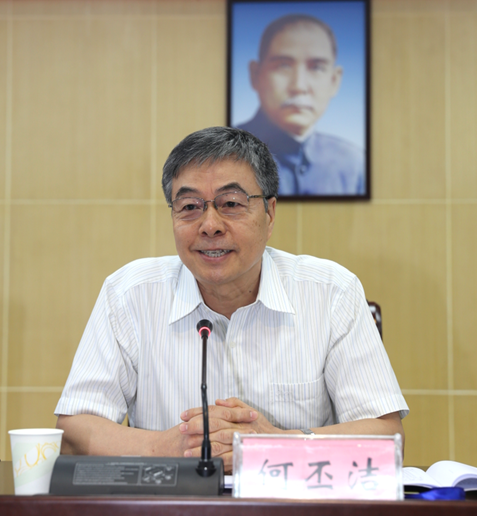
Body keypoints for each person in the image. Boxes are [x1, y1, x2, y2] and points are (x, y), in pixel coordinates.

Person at [55, 127, 408, 473]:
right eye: (190, 206)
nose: (210, 225)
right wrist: (166, 448)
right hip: (173, 504)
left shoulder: (332, 293)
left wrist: (278, 443)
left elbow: (386, 438)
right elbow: (73, 432)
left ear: (269, 214)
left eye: (231, 204)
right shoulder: (129, 294)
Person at [237, 14, 365, 196]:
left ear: (334, 81)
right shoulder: (225, 155)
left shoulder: (354, 164)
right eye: (283, 66)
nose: (299, 86)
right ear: (255, 74)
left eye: (316, 67)